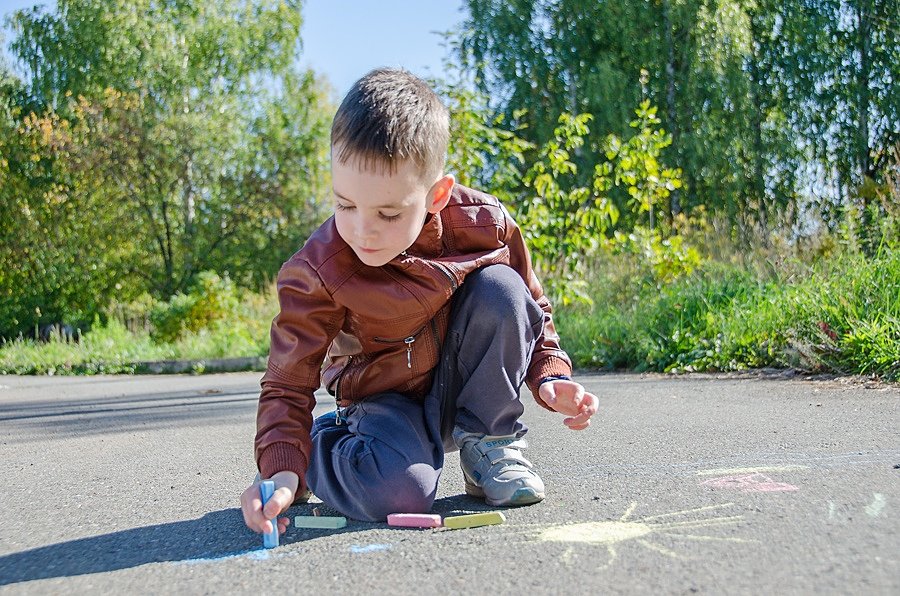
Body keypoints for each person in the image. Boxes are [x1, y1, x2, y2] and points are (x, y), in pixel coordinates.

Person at [240, 67, 599, 535]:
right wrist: (282, 466)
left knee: (502, 287)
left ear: (437, 195)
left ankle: (489, 442)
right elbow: (288, 382)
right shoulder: (320, 268)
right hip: (382, 400)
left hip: (462, 384)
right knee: (397, 494)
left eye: (388, 213)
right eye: (345, 204)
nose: (362, 230)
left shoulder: (485, 224)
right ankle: (317, 446)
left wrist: (549, 376)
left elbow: (532, 305)